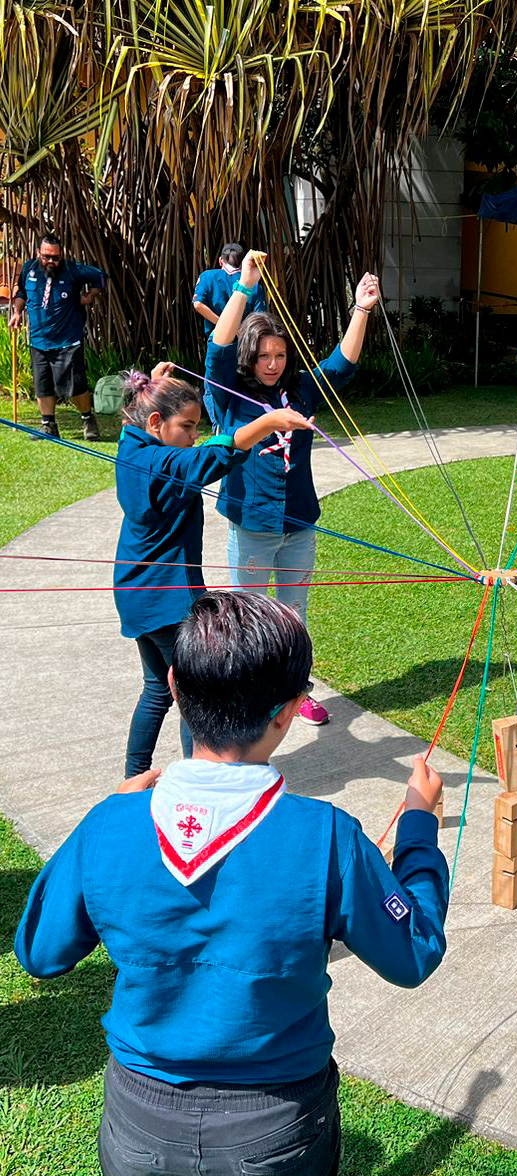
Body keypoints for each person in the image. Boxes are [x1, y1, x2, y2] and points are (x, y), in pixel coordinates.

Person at [15, 589, 449, 1176]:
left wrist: (108, 814)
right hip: (276, 1125)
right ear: (291, 710)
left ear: (172, 682)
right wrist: (419, 828)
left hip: (143, 1120)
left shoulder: (111, 825)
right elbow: (414, 950)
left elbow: (39, 949)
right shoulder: (325, 838)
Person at [205, 249, 380, 727]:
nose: (273, 364)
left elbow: (341, 365)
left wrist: (361, 308)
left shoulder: (299, 390)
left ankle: (293, 689)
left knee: (293, 614)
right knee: (247, 617)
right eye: (264, 356)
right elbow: (217, 351)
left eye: (280, 355)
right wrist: (243, 287)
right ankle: (250, 695)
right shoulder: (227, 394)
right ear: (250, 356)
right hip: (254, 524)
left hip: (299, 522)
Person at [114, 365, 314, 777]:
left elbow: (159, 432)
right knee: (196, 694)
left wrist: (153, 384)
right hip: (167, 599)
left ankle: (134, 777)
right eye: (187, 426)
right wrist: (268, 422)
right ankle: (200, 778)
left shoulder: (130, 444)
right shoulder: (162, 462)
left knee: (157, 689)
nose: (193, 435)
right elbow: (209, 459)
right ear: (155, 422)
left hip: (135, 594)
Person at [8, 232, 105, 441]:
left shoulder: (73, 270)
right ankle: (48, 425)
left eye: (55, 257)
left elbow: (99, 275)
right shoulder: (29, 269)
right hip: (38, 340)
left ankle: (88, 418)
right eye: (46, 256)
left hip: (68, 339)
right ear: (38, 253)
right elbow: (22, 293)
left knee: (74, 387)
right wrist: (17, 312)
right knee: (43, 385)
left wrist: (91, 295)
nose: (51, 261)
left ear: (61, 255)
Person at [192, 241, 267, 337]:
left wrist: (223, 325)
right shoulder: (253, 284)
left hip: (217, 337)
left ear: (220, 260)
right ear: (243, 262)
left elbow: (198, 304)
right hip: (244, 339)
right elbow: (259, 317)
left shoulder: (207, 276)